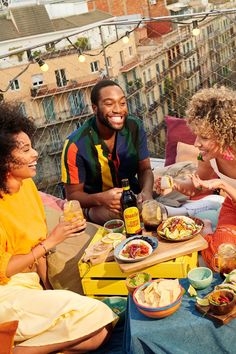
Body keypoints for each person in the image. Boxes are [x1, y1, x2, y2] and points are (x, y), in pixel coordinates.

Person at [0, 102, 117, 353]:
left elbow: (37, 248)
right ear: (3, 159)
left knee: (98, 334)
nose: (35, 154)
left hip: (28, 285)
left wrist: (49, 289)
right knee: (98, 312)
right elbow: (6, 267)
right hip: (5, 294)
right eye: (25, 149)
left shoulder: (27, 187)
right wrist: (53, 240)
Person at [155, 86, 236, 269]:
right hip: (233, 206)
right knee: (222, 262)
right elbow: (197, 185)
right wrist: (175, 185)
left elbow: (219, 184)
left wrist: (223, 184)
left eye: (205, 137)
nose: (196, 143)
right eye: (196, 134)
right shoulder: (207, 156)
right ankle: (206, 230)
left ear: (224, 135)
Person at [61, 79, 154, 225]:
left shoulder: (134, 126)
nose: (118, 109)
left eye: (122, 103)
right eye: (109, 104)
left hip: (132, 196)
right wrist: (101, 198)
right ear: (95, 108)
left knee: (155, 211)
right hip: (97, 205)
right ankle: (92, 215)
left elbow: (145, 169)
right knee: (129, 216)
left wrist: (147, 192)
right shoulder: (75, 144)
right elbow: (72, 196)